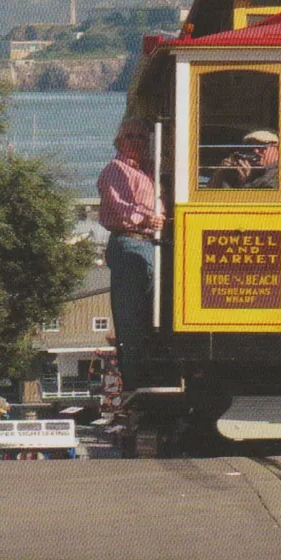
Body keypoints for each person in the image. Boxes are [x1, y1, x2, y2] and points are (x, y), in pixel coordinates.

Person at [97, 118, 165, 391]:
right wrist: (148, 220)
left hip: (145, 244)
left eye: (141, 136)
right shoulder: (116, 170)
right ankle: (136, 381)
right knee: (131, 319)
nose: (137, 142)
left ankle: (145, 374)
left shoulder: (146, 172)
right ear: (119, 142)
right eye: (131, 137)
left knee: (147, 314)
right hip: (129, 244)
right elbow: (121, 207)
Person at [207, 130, 279, 189]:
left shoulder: (279, 174)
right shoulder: (253, 170)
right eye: (252, 147)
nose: (255, 151)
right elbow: (210, 192)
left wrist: (245, 181)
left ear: (277, 148)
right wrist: (221, 171)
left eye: (262, 147)